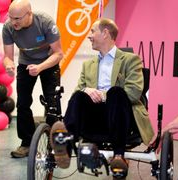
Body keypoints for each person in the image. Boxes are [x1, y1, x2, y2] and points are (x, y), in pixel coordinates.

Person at [50, 18, 154, 177]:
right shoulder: (88, 64)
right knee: (79, 94)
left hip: (121, 117)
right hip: (94, 119)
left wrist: (103, 94)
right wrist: (87, 90)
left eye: (92, 31)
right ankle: (65, 147)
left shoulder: (131, 60)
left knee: (116, 93)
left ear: (105, 33)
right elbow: (78, 90)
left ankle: (118, 156)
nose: (89, 36)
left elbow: (133, 93)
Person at [2, 0, 64, 158]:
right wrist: (8, 65)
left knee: (53, 104)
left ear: (29, 14)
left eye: (18, 18)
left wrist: (40, 67)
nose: (13, 22)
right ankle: (26, 143)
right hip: (25, 63)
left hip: (49, 63)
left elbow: (59, 53)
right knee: (22, 103)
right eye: (11, 18)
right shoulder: (8, 27)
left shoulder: (45, 22)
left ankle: (56, 145)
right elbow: (7, 57)